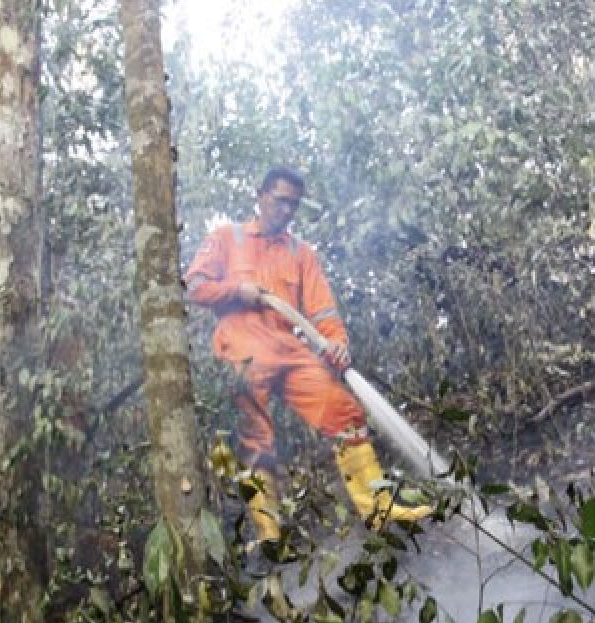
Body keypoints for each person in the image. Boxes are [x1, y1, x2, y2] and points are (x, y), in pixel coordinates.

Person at [185, 166, 431, 562]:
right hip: (242, 347)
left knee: (343, 409)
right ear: (260, 195)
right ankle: (269, 532)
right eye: (280, 200)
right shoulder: (226, 238)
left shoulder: (301, 253)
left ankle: (378, 509)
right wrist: (238, 290)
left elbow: (322, 312)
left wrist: (336, 344)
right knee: (254, 437)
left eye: (293, 204)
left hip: (289, 349)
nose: (286, 210)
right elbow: (194, 286)